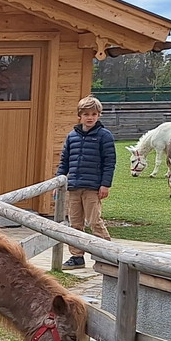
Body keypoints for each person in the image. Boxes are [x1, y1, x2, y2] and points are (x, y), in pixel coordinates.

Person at [56, 95, 114, 269]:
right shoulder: (72, 136)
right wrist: (58, 181)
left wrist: (105, 184)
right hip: (74, 186)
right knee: (75, 223)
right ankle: (77, 256)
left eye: (94, 114)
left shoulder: (104, 136)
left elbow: (109, 162)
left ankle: (107, 253)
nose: (90, 117)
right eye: (87, 114)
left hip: (93, 187)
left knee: (95, 221)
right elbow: (64, 160)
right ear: (79, 115)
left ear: (99, 115)